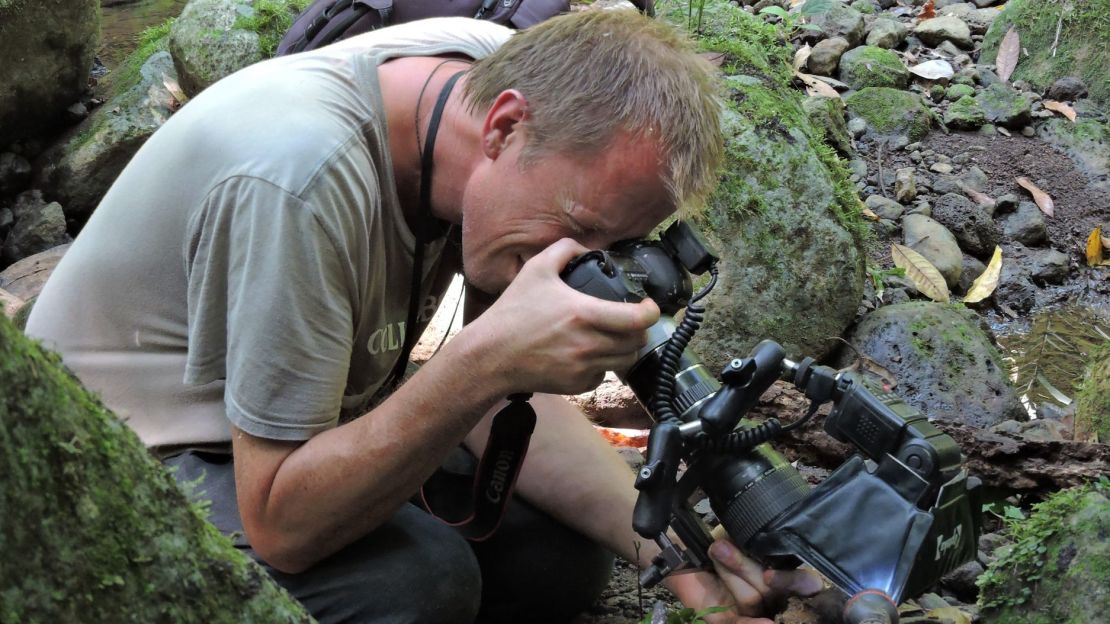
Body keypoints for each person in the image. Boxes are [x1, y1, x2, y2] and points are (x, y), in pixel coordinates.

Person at [27, 8, 821, 623]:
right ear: (506, 125)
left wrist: (683, 557)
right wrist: (483, 364)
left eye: (612, 244)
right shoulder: (300, 178)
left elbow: (494, 393)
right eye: (579, 231)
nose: (581, 267)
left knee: (563, 556)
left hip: (303, 421)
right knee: (420, 583)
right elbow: (282, 525)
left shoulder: (486, 81)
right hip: (117, 456)